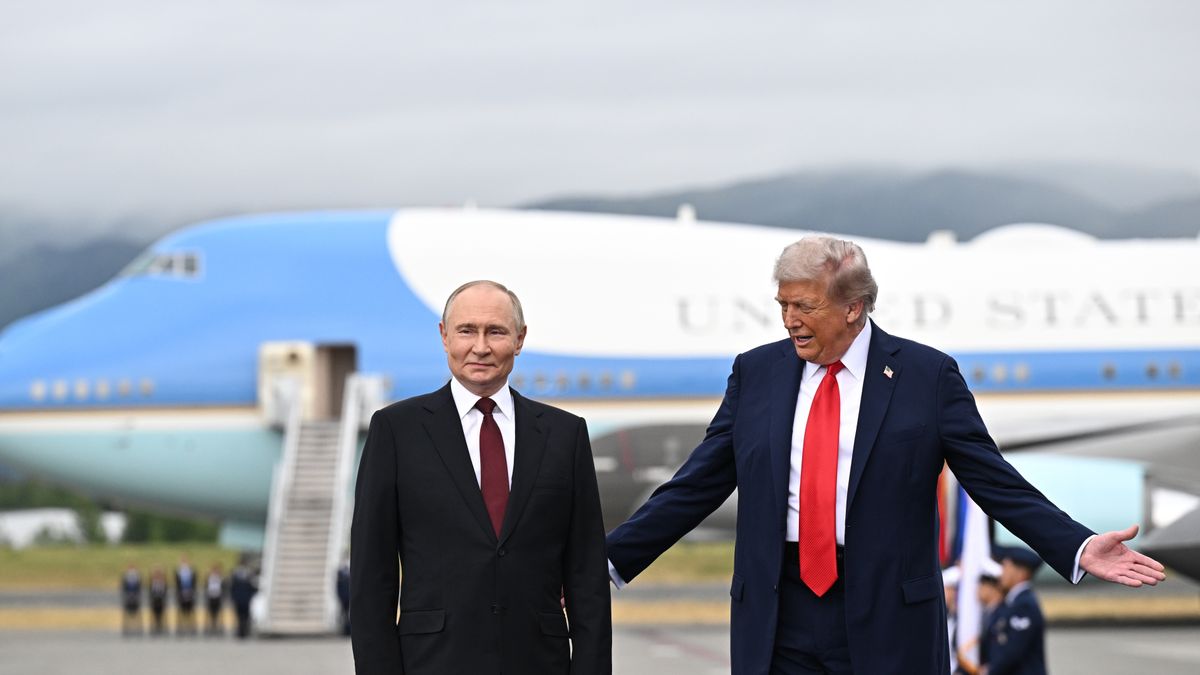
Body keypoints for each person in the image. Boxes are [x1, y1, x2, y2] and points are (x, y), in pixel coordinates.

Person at [605, 236, 1166, 674]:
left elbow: (993, 480)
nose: (789, 320)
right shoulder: (757, 373)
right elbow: (696, 484)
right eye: (783, 305)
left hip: (888, 615)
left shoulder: (927, 376)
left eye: (804, 306)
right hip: (777, 613)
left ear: (854, 307)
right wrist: (603, 562)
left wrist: (1076, 544)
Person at [350, 280, 611, 675]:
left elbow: (586, 576)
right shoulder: (396, 431)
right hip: (432, 663)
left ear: (520, 339)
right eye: (467, 330)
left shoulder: (565, 434)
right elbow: (372, 576)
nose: (481, 347)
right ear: (444, 336)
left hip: (539, 662)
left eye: (496, 331)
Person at [984, 547, 1048, 675]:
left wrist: (990, 670)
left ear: (1021, 573)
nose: (1001, 573)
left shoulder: (1025, 605)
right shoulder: (1011, 602)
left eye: (1006, 567)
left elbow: (1013, 649)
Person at [229, 558, 258, 639]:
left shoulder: (249, 574)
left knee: (245, 615)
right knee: (240, 615)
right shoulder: (236, 574)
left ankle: (244, 631)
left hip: (245, 598)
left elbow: (252, 587)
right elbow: (233, 587)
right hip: (240, 598)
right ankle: (241, 631)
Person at [174, 555, 198, 636]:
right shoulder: (178, 572)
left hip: (190, 593)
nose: (184, 563)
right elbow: (177, 584)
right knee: (181, 611)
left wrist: (192, 592)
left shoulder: (192, 571)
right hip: (181, 593)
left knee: (190, 611)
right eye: (183, 561)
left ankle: (191, 628)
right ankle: (181, 628)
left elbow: (194, 582)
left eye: (186, 561)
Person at [120, 563, 143, 636]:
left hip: (135, 599)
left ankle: (138, 628)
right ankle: (126, 628)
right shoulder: (125, 578)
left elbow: (139, 590)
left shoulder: (138, 578)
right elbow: (124, 589)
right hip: (128, 599)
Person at [204, 562, 225, 636]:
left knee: (218, 613)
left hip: (218, 597)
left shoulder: (221, 578)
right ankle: (211, 627)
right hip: (211, 597)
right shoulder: (209, 578)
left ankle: (217, 627)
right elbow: (206, 587)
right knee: (210, 613)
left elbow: (223, 588)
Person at [147, 567, 169, 636]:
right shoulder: (152, 583)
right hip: (154, 602)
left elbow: (164, 593)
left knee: (161, 608)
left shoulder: (163, 583)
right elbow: (151, 594)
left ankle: (160, 625)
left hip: (161, 602)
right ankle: (156, 625)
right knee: (155, 608)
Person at [336, 558, 351, 637]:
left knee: (349, 614)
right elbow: (338, 586)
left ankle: (348, 629)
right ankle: (345, 630)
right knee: (344, 615)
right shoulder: (341, 572)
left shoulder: (348, 572)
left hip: (349, 597)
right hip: (344, 598)